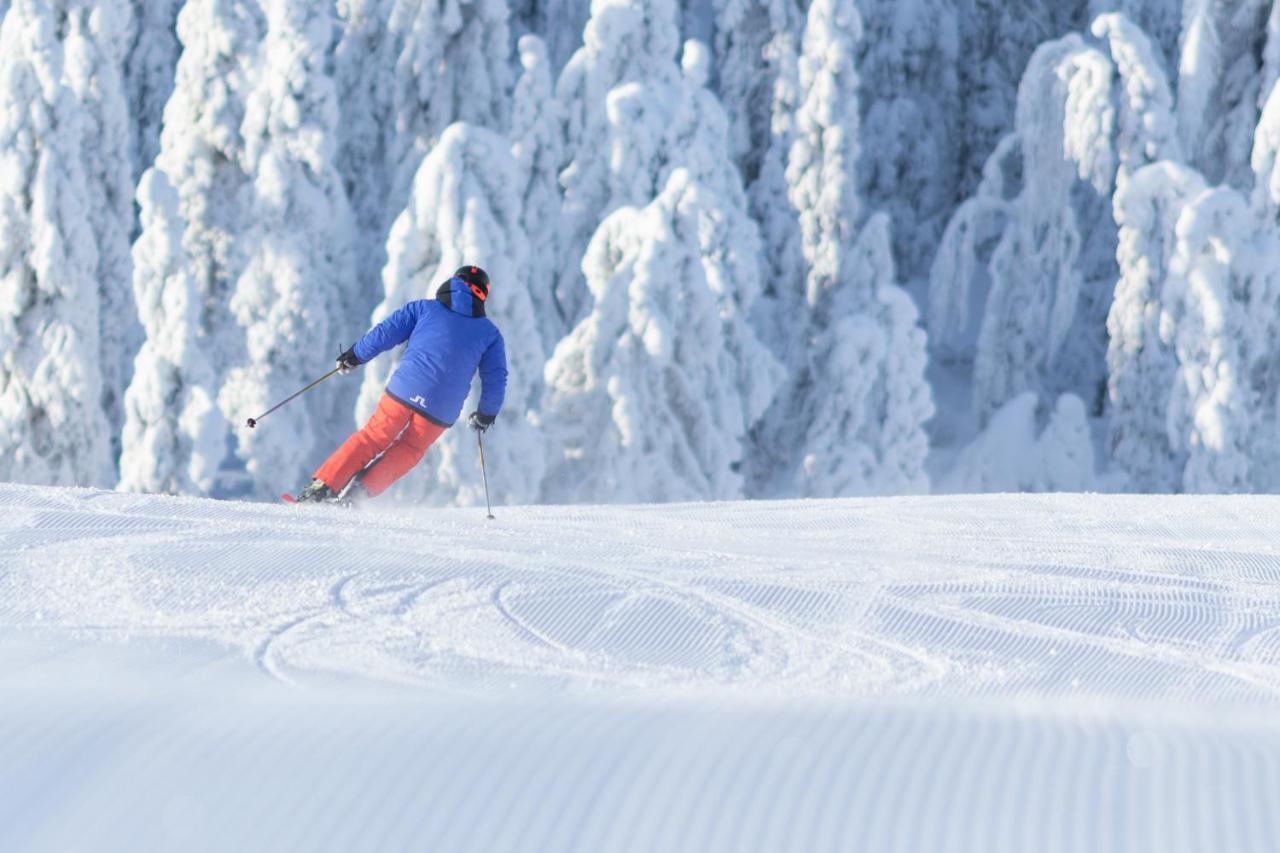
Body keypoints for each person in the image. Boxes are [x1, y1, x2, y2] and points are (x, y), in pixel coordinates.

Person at [294, 265, 507, 503]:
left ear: (454, 282)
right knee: (410, 449)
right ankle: (357, 496)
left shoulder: (423, 308)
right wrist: (486, 415)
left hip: (405, 391)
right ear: (482, 295)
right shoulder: (490, 334)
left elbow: (384, 333)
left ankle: (322, 487)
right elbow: (496, 377)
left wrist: (354, 356)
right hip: (441, 409)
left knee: (372, 438)